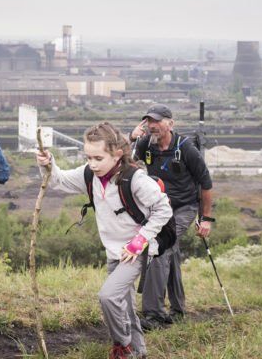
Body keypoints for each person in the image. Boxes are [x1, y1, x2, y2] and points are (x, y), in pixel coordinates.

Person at [36, 122, 172, 359]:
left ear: (117, 154)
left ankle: (122, 346)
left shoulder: (136, 179)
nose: (92, 163)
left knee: (108, 296)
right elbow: (58, 181)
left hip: (136, 251)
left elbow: (164, 208)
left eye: (98, 158)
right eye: (88, 157)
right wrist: (48, 164)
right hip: (114, 252)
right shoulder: (90, 174)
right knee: (124, 306)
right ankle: (138, 353)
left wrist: (140, 241)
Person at [129, 104, 214, 330]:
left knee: (157, 246)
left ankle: (154, 315)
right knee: (170, 252)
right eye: (149, 121)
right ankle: (177, 310)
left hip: (183, 208)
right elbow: (127, 165)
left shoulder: (185, 148)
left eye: (157, 121)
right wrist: (132, 139)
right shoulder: (146, 143)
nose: (152, 126)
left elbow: (206, 184)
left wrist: (206, 219)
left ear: (170, 123)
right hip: (158, 208)